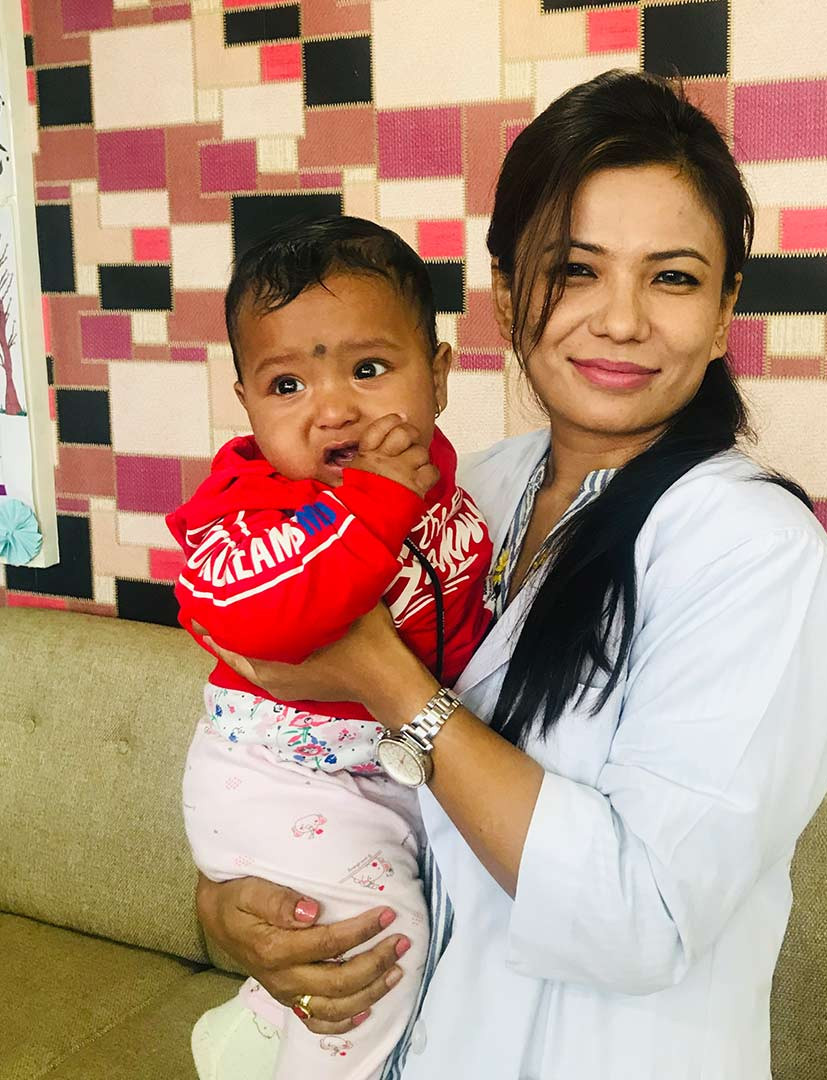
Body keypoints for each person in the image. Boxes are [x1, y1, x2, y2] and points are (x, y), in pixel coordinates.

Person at [191, 71, 827, 1080]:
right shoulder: (467, 488)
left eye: (674, 278)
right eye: (576, 271)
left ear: (726, 306)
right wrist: (230, 906)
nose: (622, 320)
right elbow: (343, 781)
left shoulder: (757, 555)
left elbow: (641, 918)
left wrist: (381, 674)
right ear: (507, 294)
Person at [167, 216, 493, 1080]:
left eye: (370, 369)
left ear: (439, 376)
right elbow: (264, 622)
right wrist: (374, 508)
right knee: (380, 951)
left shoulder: (440, 476)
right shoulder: (251, 507)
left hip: (386, 773)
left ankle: (248, 1037)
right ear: (246, 403)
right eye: (287, 384)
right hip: (282, 780)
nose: (335, 408)